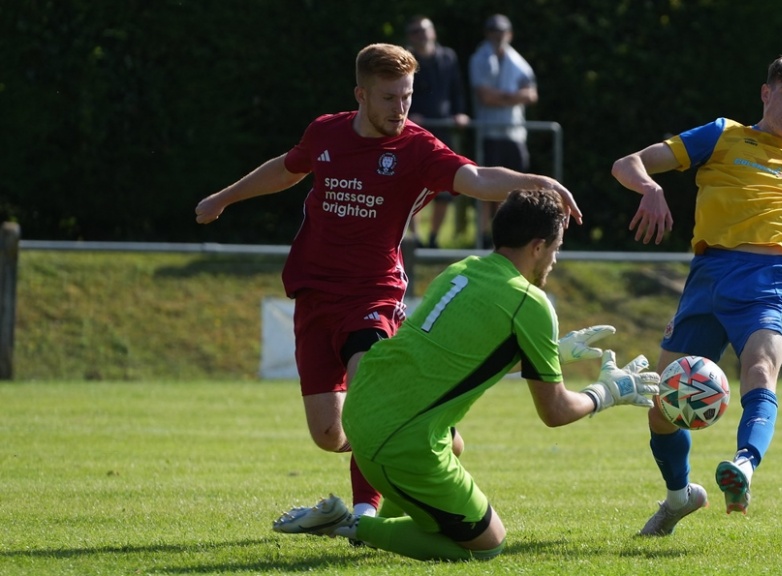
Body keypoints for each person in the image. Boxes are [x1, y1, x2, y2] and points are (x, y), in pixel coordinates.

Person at [195, 43, 581, 528]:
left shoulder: (418, 149)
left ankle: (362, 514)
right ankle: (431, 432)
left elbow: (479, 177)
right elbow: (286, 170)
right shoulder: (326, 132)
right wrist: (225, 198)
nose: (401, 108)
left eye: (407, 97)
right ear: (361, 94)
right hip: (313, 295)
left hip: (372, 296)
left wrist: (538, 182)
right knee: (329, 434)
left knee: (368, 401)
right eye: (389, 98)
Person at [271, 188, 660, 561]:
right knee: (488, 544)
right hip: (396, 441)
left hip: (361, 411)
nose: (555, 261)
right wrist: (608, 392)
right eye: (555, 250)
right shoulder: (530, 301)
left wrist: (551, 355)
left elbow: (464, 357)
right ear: (538, 247)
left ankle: (388, 518)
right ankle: (350, 525)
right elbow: (554, 411)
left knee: (453, 445)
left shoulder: (463, 269)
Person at [610, 53, 782, 534]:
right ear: (766, 93)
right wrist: (649, 189)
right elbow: (627, 163)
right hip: (709, 277)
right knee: (664, 406)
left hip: (773, 279)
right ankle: (679, 497)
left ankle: (744, 466)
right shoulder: (722, 134)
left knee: (759, 368)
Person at [468, 13, 538, 248]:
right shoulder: (479, 59)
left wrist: (503, 97)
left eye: (502, 31)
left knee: (514, 190)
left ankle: (506, 237)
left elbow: (531, 94)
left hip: (514, 135)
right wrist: (513, 97)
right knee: (486, 189)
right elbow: (485, 97)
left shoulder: (518, 62)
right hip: (489, 134)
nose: (498, 36)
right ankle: (483, 237)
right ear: (488, 33)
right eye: (493, 31)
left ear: (509, 33)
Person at [404, 14, 471, 249]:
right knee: (411, 184)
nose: (420, 35)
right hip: (414, 130)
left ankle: (433, 238)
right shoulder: (406, 59)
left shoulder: (448, 57)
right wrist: (407, 116)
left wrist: (460, 113)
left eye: (423, 30)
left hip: (444, 128)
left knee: (445, 185)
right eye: (415, 32)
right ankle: (414, 238)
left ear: (433, 32)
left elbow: (457, 90)